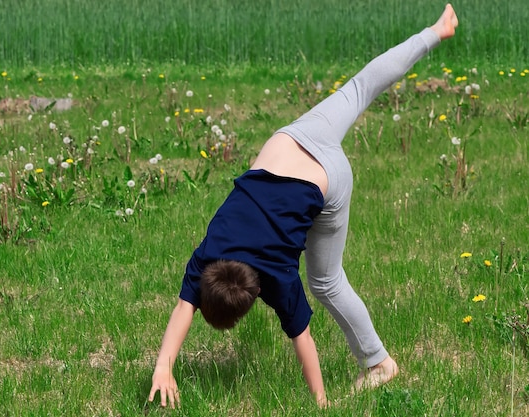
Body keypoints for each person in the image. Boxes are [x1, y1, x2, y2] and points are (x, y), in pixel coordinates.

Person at [149, 4, 459, 409]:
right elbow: (184, 306)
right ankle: (437, 30)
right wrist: (163, 365)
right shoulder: (209, 252)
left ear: (254, 296)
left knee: (326, 283)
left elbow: (303, 339)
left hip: (325, 180)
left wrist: (321, 403)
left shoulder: (276, 278)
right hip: (294, 138)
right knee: (362, 85)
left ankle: (379, 364)